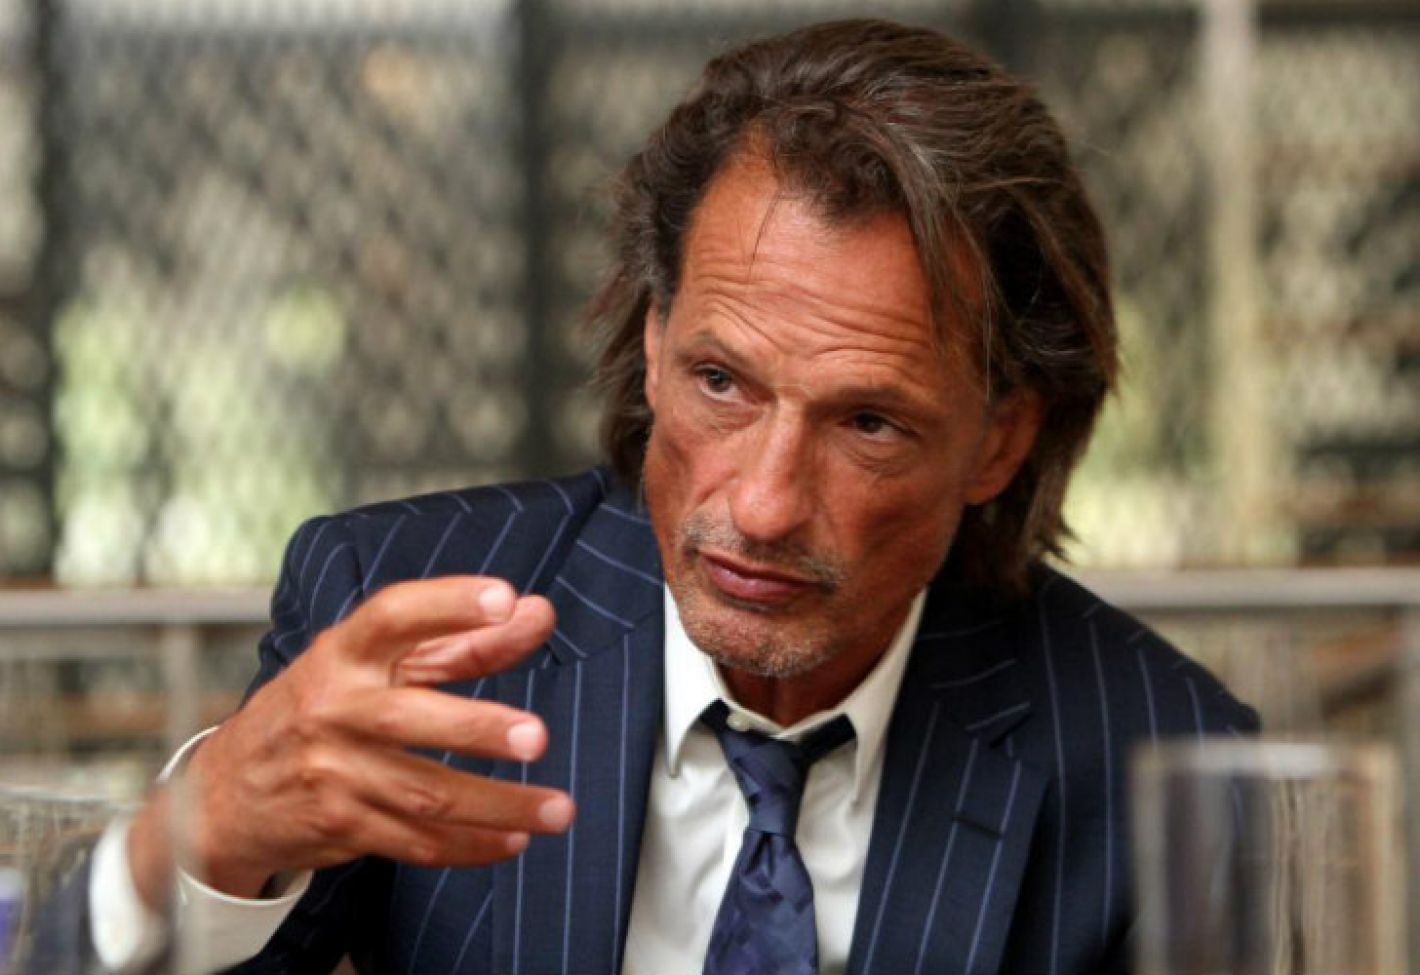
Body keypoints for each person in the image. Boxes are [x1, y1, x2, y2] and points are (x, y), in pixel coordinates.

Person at [83, 17, 1255, 975]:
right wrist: (194, 838)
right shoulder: (412, 622)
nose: (762, 506)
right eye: (720, 382)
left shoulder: (1158, 758)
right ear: (653, 347)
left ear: (999, 440)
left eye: (867, 423)